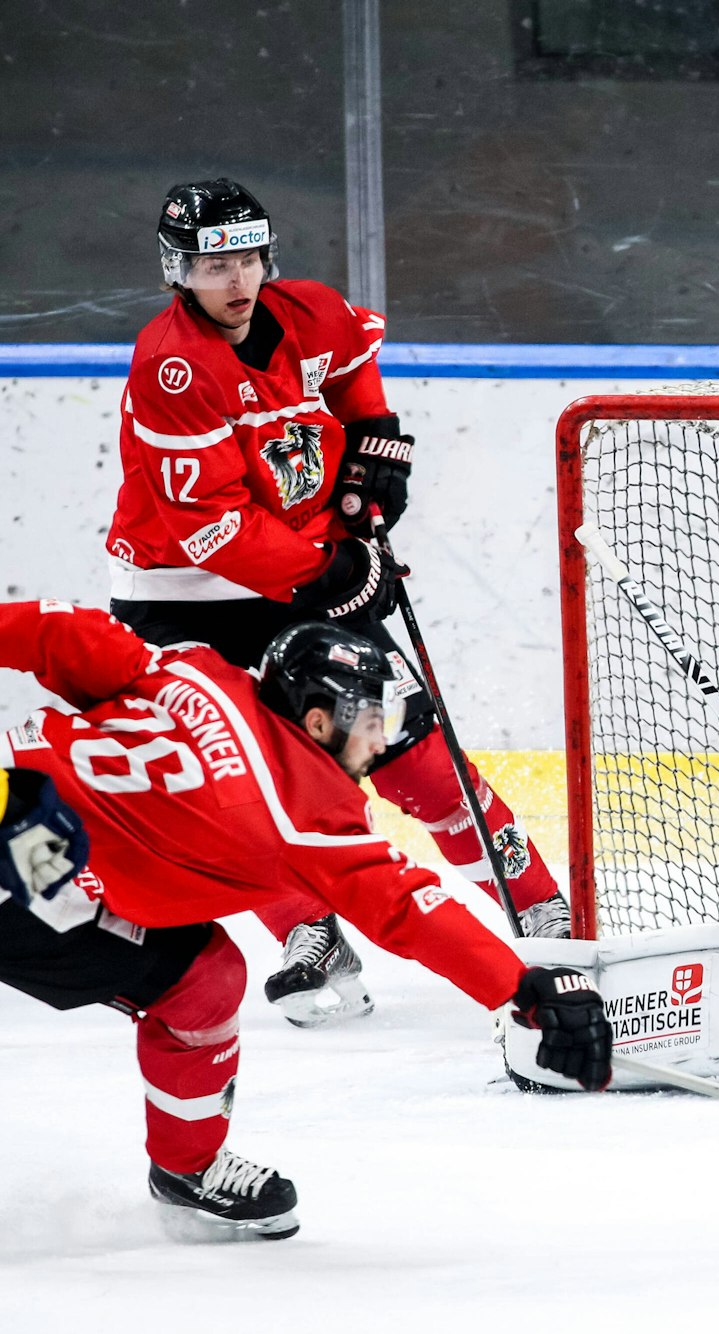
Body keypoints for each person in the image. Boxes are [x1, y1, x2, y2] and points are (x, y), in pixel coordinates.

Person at [104, 178, 573, 1028]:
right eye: (214, 265)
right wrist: (332, 575)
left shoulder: (312, 312)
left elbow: (356, 377)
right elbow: (211, 528)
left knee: (411, 753)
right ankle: (307, 928)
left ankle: (538, 902)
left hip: (308, 562)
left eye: (246, 257)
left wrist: (371, 459)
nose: (236, 281)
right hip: (185, 597)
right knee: (232, 780)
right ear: (178, 272)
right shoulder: (173, 366)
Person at [0, 601, 611, 1241]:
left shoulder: (196, 670)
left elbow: (61, 633)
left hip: (17, 798)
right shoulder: (306, 813)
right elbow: (406, 907)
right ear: (318, 721)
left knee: (205, 973)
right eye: (374, 722)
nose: (382, 742)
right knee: (198, 983)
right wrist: (522, 988)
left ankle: (187, 1167)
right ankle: (187, 1168)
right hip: (26, 877)